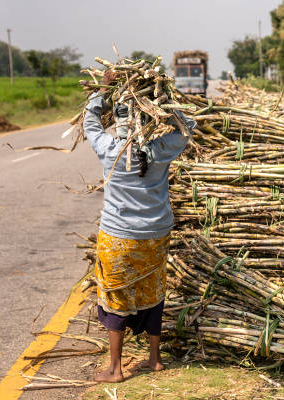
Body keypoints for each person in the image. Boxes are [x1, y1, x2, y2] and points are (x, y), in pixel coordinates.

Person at [84, 71, 194, 383]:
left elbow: (90, 121)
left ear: (118, 121)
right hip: (156, 236)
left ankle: (115, 369)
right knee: (153, 291)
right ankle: (154, 359)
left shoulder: (108, 148)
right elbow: (189, 127)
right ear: (147, 120)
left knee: (116, 297)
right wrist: (165, 101)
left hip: (118, 238)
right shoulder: (159, 150)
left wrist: (103, 90)